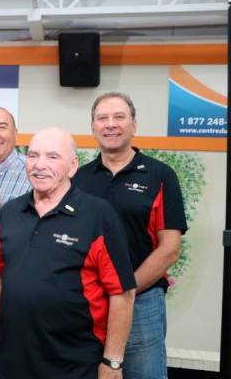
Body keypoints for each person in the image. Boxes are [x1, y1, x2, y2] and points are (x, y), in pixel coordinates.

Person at [0, 127, 136, 379]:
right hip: (15, 360)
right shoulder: (8, 214)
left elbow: (122, 293)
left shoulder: (98, 215)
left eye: (52, 157)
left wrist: (113, 361)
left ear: (72, 166)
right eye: (33, 156)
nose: (40, 165)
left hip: (75, 363)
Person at [73, 92, 188, 379]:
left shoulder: (160, 175)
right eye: (102, 118)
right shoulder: (78, 179)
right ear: (93, 127)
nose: (110, 124)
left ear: (134, 126)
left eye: (119, 117)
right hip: (87, 302)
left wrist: (124, 292)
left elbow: (170, 249)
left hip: (142, 302)